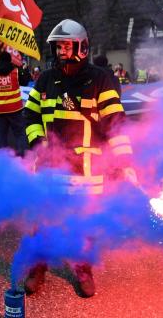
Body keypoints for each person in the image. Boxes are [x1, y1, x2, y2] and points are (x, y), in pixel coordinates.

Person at [23, 20, 133, 298]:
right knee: (43, 220)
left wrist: (126, 161)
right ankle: (38, 267)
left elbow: (115, 121)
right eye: (57, 47)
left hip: (87, 171)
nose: (60, 52)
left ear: (81, 47)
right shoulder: (46, 79)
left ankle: (83, 269)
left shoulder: (101, 79)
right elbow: (31, 114)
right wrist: (39, 142)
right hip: (50, 166)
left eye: (65, 46)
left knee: (84, 224)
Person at [0, 48, 27, 155]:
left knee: (2, 137)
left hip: (0, 111)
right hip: (16, 110)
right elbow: (26, 81)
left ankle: (3, 160)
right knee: (19, 135)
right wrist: (23, 69)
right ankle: (21, 159)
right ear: (10, 60)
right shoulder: (16, 72)